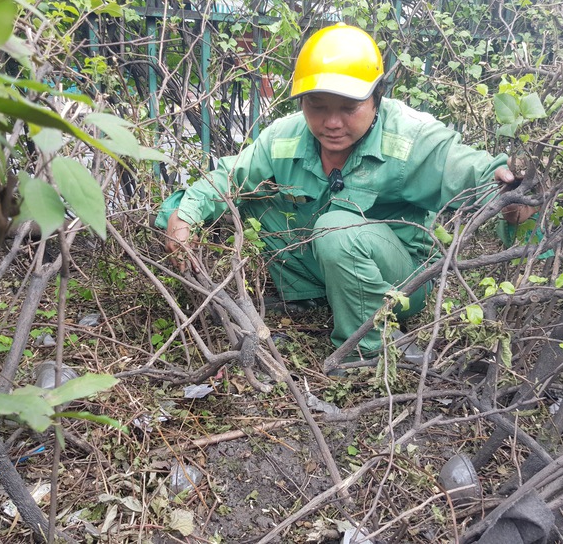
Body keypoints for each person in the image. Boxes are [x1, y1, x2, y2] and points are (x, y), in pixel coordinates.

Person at [155, 23, 535, 369]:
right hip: (321, 270)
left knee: (336, 229)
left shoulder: (411, 138)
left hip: (397, 284)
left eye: (349, 109)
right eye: (316, 107)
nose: (331, 123)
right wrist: (185, 215)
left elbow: (477, 169)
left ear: (377, 97)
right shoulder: (284, 137)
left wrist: (511, 196)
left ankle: (367, 348)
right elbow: (228, 176)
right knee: (225, 202)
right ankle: (308, 298)